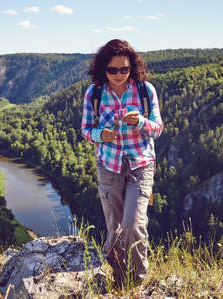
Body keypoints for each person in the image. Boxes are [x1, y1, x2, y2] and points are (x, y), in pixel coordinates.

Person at [81, 39, 163, 287]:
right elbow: (85, 130)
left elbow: (157, 129)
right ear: (103, 69)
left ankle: (137, 281)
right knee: (115, 228)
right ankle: (119, 280)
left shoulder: (145, 90)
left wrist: (140, 121)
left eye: (124, 69)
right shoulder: (94, 93)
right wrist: (99, 135)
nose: (118, 75)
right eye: (112, 70)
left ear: (132, 68)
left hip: (140, 164)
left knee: (133, 224)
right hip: (108, 166)